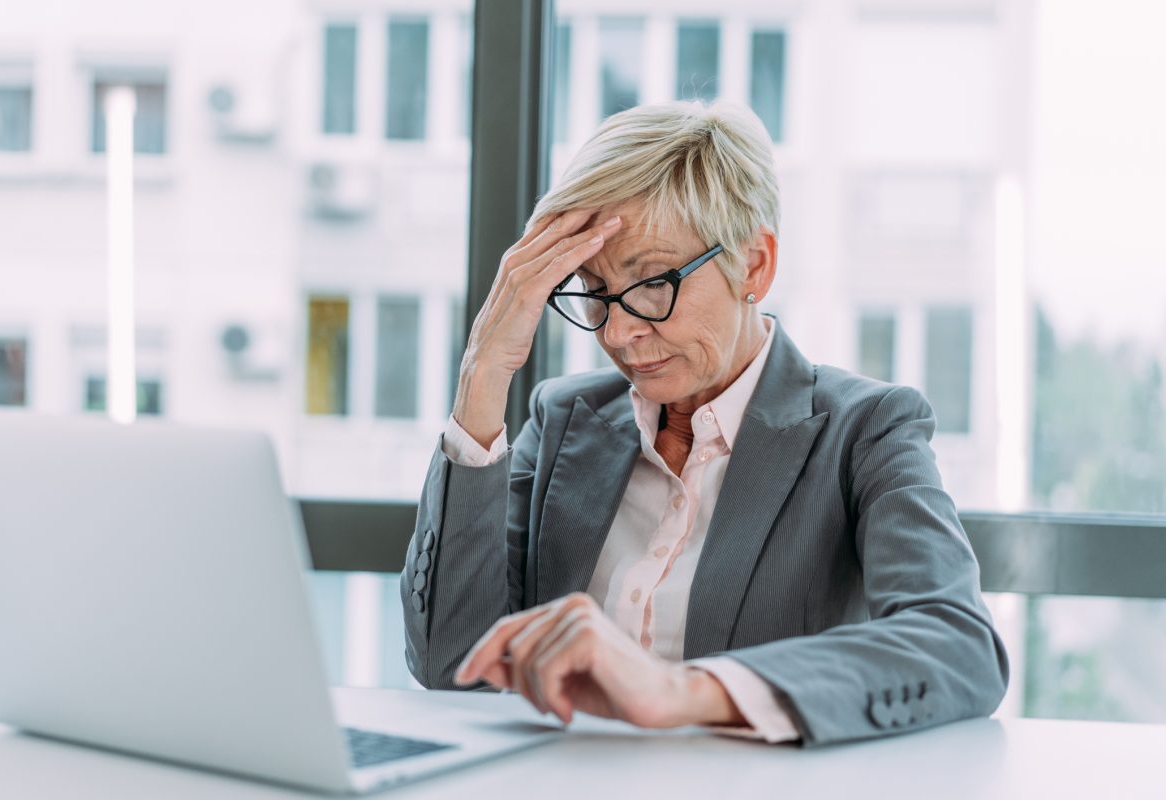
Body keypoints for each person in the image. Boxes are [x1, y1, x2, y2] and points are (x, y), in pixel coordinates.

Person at [401, 100, 1008, 745]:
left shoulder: (863, 431)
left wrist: (682, 691)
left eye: (653, 283)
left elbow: (957, 645)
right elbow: (451, 666)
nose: (621, 331)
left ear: (754, 266)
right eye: (593, 290)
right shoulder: (564, 421)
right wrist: (483, 373)